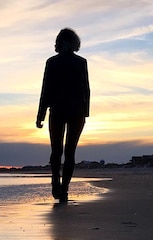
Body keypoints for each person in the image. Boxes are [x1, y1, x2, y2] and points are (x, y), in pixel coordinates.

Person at [36, 28, 90, 203]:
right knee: (68, 151)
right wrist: (86, 112)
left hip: (59, 111)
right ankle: (63, 188)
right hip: (75, 112)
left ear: (58, 43)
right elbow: (86, 90)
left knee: (58, 151)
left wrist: (41, 115)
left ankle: (57, 184)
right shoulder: (80, 62)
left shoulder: (53, 62)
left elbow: (46, 90)